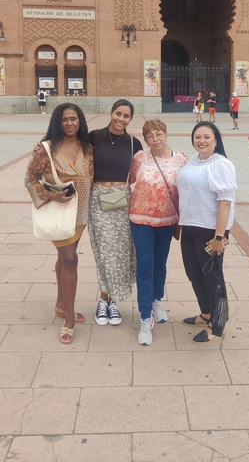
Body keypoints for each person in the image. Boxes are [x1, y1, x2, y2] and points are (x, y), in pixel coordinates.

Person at [25, 103, 93, 344]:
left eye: (74, 119)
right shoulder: (46, 149)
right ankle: (69, 319)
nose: (69, 123)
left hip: (82, 213)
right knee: (70, 260)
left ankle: (61, 305)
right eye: (64, 119)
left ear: (80, 121)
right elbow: (30, 178)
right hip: (60, 209)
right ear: (57, 122)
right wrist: (50, 195)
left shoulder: (88, 146)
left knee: (65, 257)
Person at [129, 119, 188, 345]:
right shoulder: (139, 158)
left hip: (167, 220)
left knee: (160, 263)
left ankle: (156, 300)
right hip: (141, 218)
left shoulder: (181, 160)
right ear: (145, 139)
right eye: (150, 136)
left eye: (159, 134)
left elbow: (187, 188)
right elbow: (127, 180)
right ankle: (145, 317)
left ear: (167, 134)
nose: (155, 139)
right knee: (145, 265)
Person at [176, 123, 237, 343]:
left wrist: (219, 237)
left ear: (216, 140)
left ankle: (217, 325)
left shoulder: (221, 164)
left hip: (210, 231)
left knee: (213, 278)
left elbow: (226, 203)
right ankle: (206, 313)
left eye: (207, 137)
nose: (202, 141)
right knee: (194, 274)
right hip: (190, 226)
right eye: (197, 136)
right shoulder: (193, 160)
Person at [88, 99, 142, 326]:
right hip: (98, 197)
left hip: (121, 199)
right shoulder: (94, 137)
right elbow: (70, 148)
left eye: (126, 116)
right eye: (118, 113)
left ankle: (113, 302)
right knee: (102, 248)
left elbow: (142, 173)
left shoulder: (134, 143)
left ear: (130, 119)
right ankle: (103, 299)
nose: (121, 119)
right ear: (111, 113)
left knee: (119, 250)